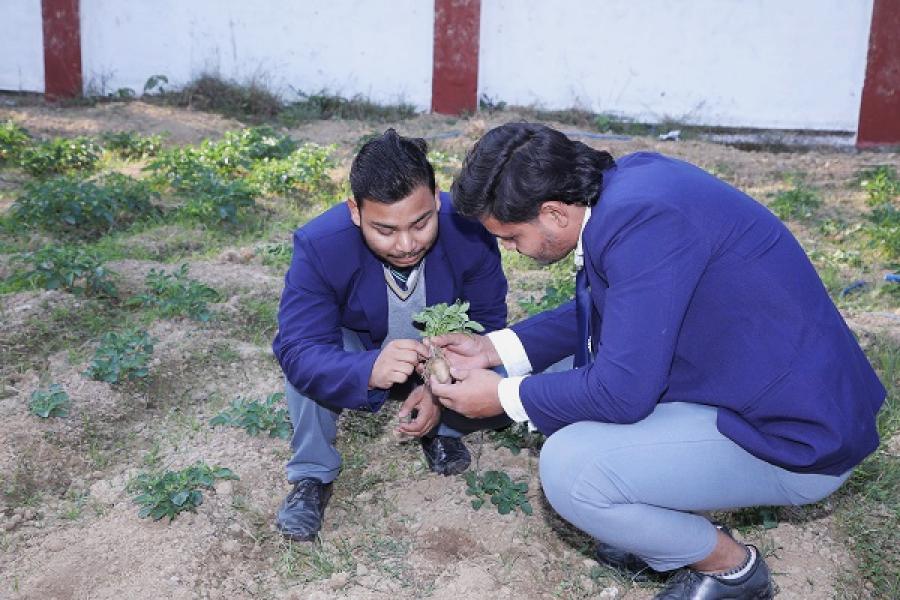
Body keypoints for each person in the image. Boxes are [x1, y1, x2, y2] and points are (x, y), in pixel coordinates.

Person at [428, 123, 885, 600]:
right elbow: (620, 301)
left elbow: (621, 393)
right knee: (555, 381)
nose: (511, 250)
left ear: (553, 213)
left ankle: (731, 572)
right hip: (755, 390)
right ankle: (656, 521)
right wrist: (494, 349)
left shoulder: (641, 222)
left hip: (795, 437)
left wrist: (502, 396)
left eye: (511, 237)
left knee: (572, 471)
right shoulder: (630, 186)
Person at [272, 129, 511, 541]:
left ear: (436, 200)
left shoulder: (471, 231)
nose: (406, 244)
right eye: (384, 230)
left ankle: (444, 429)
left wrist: (439, 389)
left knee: (509, 358)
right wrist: (368, 368)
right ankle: (312, 475)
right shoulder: (319, 245)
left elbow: (487, 323)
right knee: (308, 367)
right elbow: (298, 348)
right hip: (363, 354)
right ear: (354, 212)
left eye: (421, 223)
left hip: (441, 355)